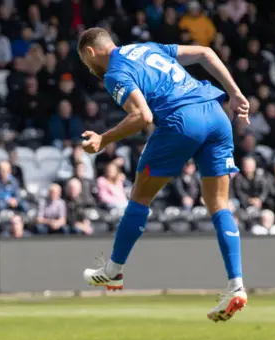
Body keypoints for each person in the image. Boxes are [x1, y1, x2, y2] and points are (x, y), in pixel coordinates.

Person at [76, 28, 250, 322]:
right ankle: (237, 285)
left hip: (182, 120)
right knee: (220, 204)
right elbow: (206, 53)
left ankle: (114, 270)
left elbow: (142, 116)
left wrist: (102, 140)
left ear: (91, 53)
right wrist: (235, 93)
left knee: (141, 195)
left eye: (85, 61)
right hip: (216, 114)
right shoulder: (147, 47)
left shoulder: (114, 73)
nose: (88, 68)